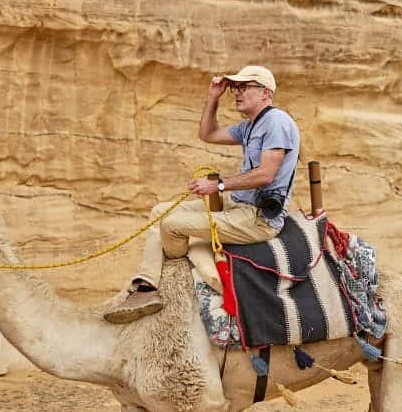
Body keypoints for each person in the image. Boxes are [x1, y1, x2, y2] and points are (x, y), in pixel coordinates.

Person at [103, 65, 300, 324]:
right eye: (235, 88)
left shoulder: (277, 122)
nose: (237, 93)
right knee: (159, 212)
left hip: (259, 218)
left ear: (265, 93)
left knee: (172, 226)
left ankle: (176, 272)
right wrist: (212, 98)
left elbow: (266, 175)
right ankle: (148, 286)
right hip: (237, 205)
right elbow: (207, 134)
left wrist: (217, 186)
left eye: (244, 87)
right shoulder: (250, 126)